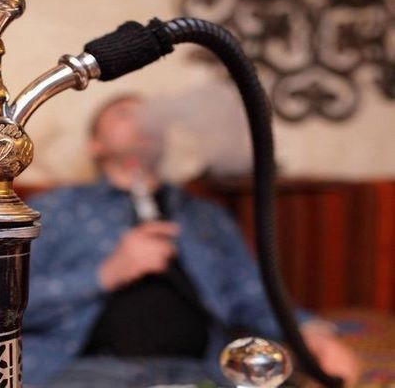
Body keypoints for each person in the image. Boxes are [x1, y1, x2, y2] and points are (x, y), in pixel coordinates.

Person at [22, 94, 360, 387]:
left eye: (149, 113)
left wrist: (311, 334)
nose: (143, 120)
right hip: (89, 372)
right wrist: (106, 274)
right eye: (124, 113)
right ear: (94, 145)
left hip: (204, 371)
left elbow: (252, 294)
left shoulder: (204, 215)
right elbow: (10, 306)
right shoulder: (55, 210)